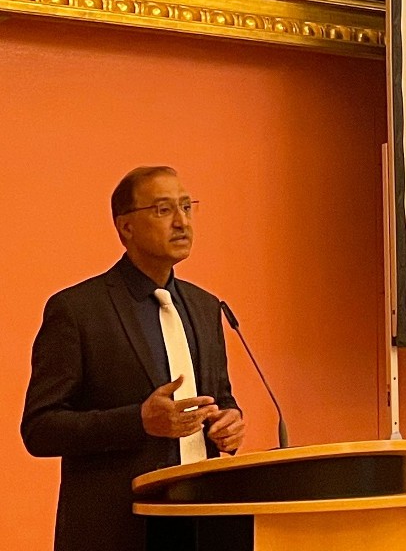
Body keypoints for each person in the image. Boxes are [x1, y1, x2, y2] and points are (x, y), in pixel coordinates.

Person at [21, 166, 245, 551]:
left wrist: (229, 421)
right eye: (163, 210)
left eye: (187, 207)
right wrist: (137, 421)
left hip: (203, 524)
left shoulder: (206, 307)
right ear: (125, 227)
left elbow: (220, 398)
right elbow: (40, 428)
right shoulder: (78, 310)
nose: (182, 222)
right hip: (117, 530)